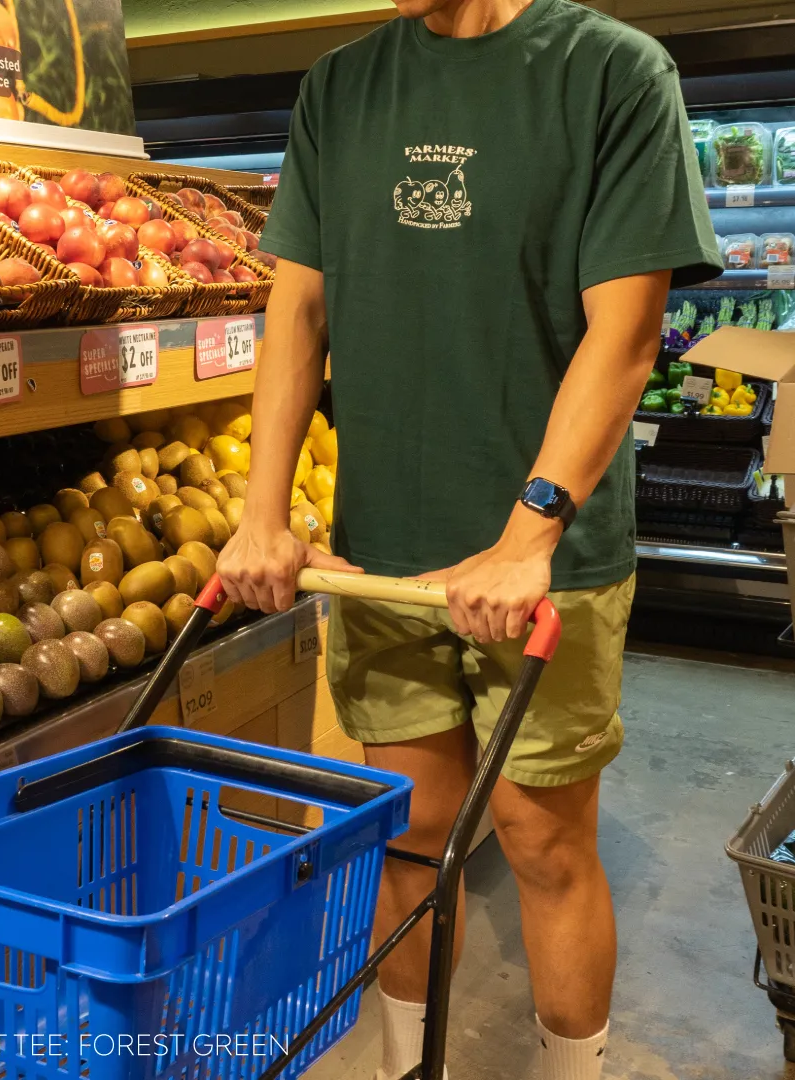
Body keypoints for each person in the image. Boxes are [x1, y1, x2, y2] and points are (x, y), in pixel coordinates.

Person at [215, 1, 723, 1077]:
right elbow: (296, 310)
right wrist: (263, 514)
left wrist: (528, 530)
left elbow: (627, 331)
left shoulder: (614, 73)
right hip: (381, 551)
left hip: (549, 560)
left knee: (544, 843)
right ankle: (408, 1068)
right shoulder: (340, 87)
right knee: (410, 831)